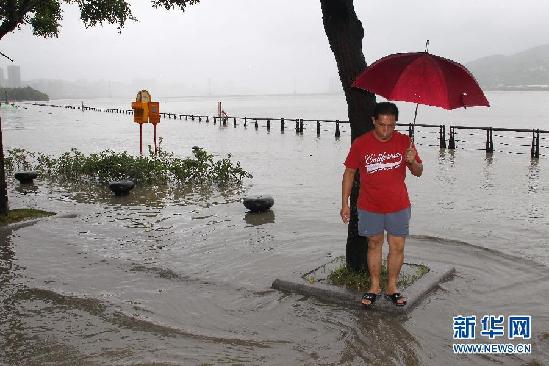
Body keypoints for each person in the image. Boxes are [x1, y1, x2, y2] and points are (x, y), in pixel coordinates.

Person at [340, 102, 423, 307]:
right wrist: (345, 204)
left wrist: (412, 161)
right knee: (374, 244)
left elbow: (418, 172)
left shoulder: (405, 141)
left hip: (398, 205)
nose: (386, 130)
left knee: (397, 247)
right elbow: (349, 173)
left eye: (391, 125)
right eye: (382, 125)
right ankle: (374, 286)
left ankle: (392, 287)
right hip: (369, 205)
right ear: (373, 121)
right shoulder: (361, 143)